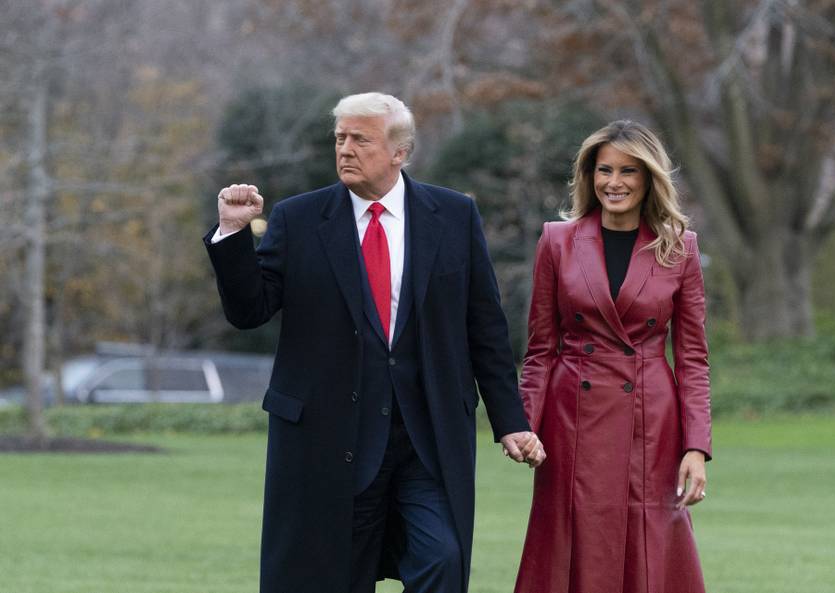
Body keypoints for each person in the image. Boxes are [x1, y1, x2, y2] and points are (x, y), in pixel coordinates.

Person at [204, 92, 545, 593]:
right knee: (333, 577)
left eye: (360, 139)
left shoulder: (453, 216)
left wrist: (509, 420)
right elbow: (249, 311)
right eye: (339, 138)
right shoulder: (298, 219)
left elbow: (485, 327)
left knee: (443, 561)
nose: (344, 149)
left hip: (426, 435)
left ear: (399, 152)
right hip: (327, 438)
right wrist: (233, 233)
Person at [513, 120, 711, 593]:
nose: (614, 182)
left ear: (648, 179)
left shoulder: (678, 248)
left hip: (651, 419)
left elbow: (693, 360)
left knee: (650, 537)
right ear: (589, 175)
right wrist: (524, 423)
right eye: (604, 170)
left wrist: (696, 447)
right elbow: (540, 349)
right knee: (569, 539)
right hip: (571, 418)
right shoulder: (556, 241)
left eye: (628, 171)